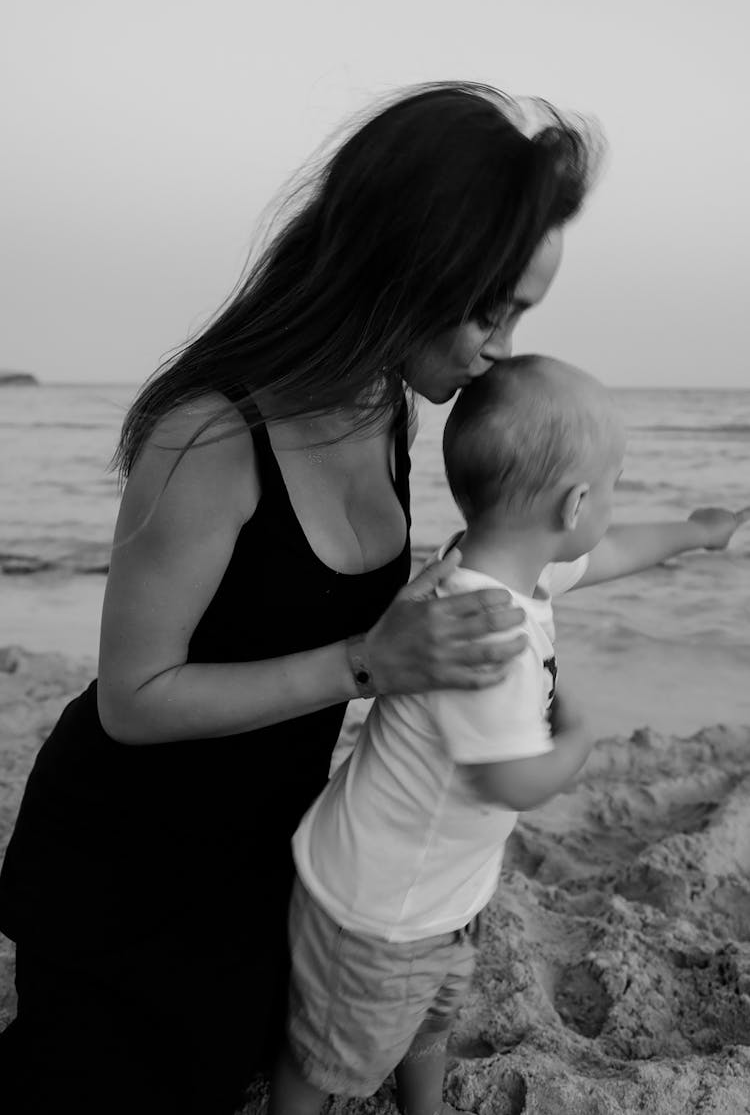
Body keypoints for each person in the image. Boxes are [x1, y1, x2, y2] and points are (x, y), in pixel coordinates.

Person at [0, 85, 602, 1115]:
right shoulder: (210, 434)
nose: (499, 345)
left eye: (522, 314)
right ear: (403, 267)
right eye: (488, 308)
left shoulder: (384, 403)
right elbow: (133, 700)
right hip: (129, 875)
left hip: (283, 860)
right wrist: (367, 665)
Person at [271, 355, 750, 1115]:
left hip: (435, 886)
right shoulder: (486, 633)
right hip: (380, 911)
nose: (614, 504)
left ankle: (423, 1105)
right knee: (329, 1053)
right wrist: (580, 738)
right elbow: (511, 780)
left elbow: (614, 551)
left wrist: (695, 532)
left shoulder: (500, 565)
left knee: (434, 1010)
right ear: (575, 502)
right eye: (615, 485)